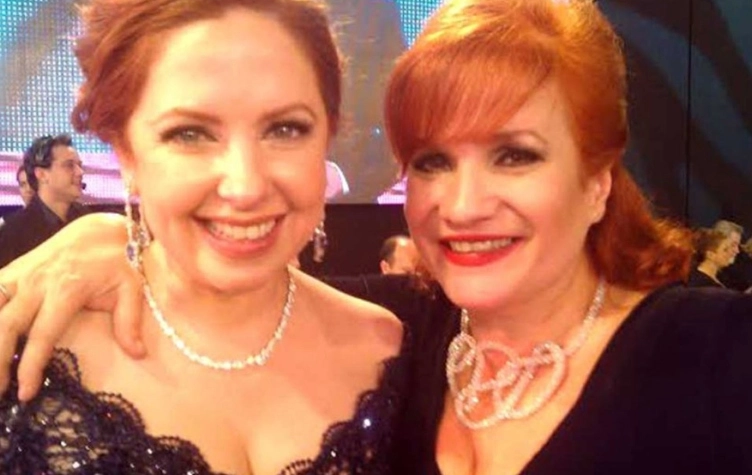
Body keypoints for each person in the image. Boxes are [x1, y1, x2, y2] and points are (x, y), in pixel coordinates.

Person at [2, 0, 752, 473]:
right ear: (126, 153)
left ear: (598, 181)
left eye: (515, 155)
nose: (464, 205)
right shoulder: (416, 331)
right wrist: (99, 236)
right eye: (432, 161)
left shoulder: (718, 354)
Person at [0, 1, 408, 474]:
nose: (245, 186)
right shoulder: (29, 348)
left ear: (328, 138)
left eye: (286, 129)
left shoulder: (390, 348)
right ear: (126, 153)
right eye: (190, 134)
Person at [0, 134, 88, 267]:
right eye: (69, 165)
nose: (80, 172)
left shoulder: (88, 221)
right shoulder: (13, 232)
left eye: (80, 165)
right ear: (41, 174)